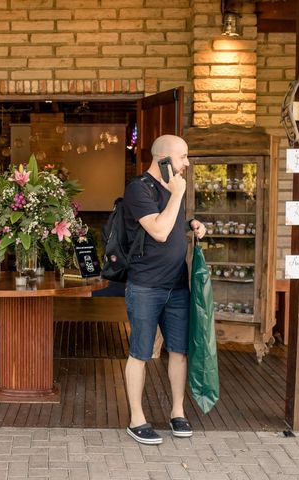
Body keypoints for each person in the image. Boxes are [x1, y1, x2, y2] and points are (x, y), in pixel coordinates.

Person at [122, 134, 206, 445]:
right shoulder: (138, 189)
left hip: (177, 286)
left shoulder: (173, 189)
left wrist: (192, 222)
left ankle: (177, 412)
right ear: (164, 160)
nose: (187, 163)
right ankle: (136, 418)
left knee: (179, 352)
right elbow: (157, 230)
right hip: (145, 286)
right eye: (183, 157)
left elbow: (172, 225)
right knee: (140, 353)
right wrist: (177, 195)